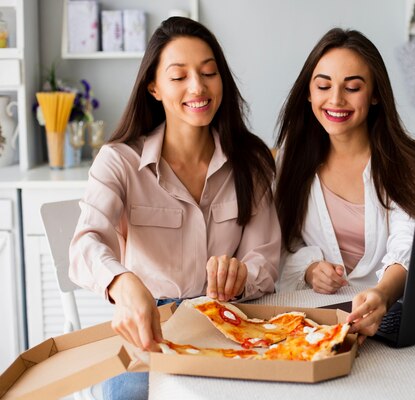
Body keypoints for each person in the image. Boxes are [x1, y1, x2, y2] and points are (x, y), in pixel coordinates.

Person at [69, 17, 280, 399]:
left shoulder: (252, 162)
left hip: (226, 320)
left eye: (209, 72)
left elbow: (264, 256)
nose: (198, 87)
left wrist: (242, 273)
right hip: (151, 325)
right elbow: (86, 243)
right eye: (178, 76)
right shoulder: (119, 161)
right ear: (153, 86)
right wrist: (124, 282)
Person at [275, 28, 415, 343]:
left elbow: (410, 244)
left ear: (376, 94)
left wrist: (382, 294)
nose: (336, 99)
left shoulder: (407, 163)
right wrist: (310, 270)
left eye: (352, 87)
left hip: (391, 317)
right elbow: (281, 242)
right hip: (314, 319)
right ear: (309, 93)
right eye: (324, 86)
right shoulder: (291, 159)